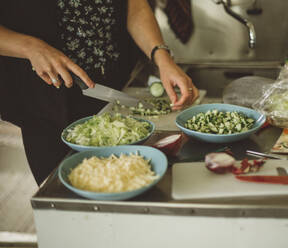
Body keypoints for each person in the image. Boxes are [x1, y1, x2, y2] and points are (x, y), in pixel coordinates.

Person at [0, 0, 199, 185]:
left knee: (129, 181)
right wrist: (31, 47)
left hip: (116, 85)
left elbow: (135, 6)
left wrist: (162, 57)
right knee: (67, 192)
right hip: (46, 98)